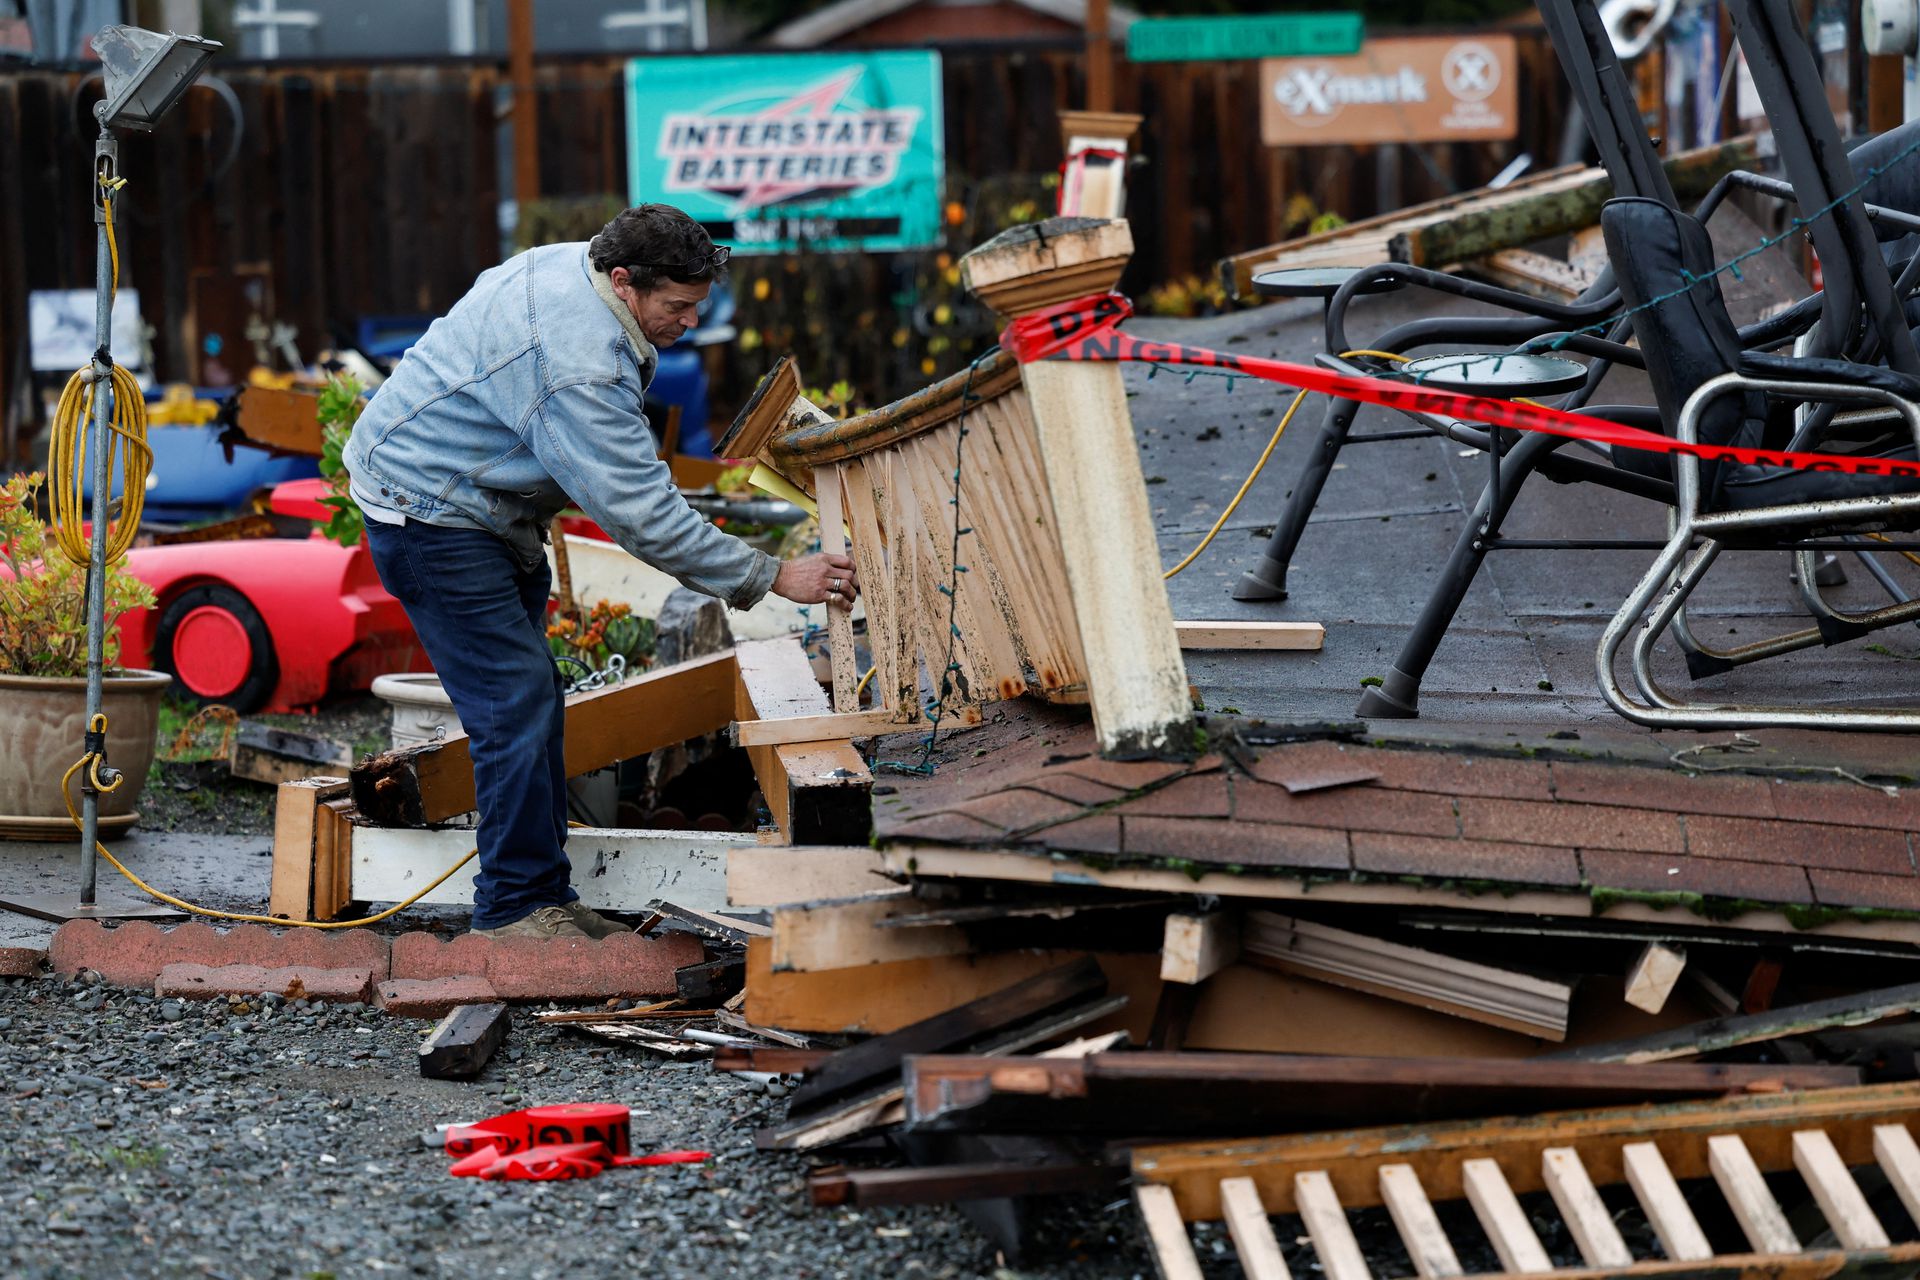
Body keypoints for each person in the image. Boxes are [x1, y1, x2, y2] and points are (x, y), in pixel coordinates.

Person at [343, 204, 858, 939]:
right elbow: (642, 515)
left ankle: (542, 892)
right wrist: (772, 576)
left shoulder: (577, 265)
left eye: (699, 304)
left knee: (531, 695)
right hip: (429, 513)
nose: (690, 322)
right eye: (677, 307)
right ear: (624, 281)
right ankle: (515, 911)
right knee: (514, 702)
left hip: (477, 500)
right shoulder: (580, 365)